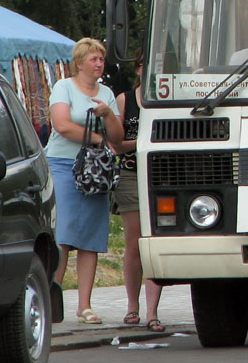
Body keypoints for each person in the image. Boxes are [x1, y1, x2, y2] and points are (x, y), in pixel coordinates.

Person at [47, 37, 124, 325]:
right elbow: (62, 125)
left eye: (102, 59)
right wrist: (97, 138)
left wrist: (107, 116)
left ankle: (85, 305)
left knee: (90, 237)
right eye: (94, 59)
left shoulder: (106, 93)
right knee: (63, 235)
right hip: (64, 164)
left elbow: (116, 137)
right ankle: (51, 299)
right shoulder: (63, 87)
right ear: (79, 63)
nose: (99, 63)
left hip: (96, 169)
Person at [113, 50, 164, 331]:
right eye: (146, 65)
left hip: (160, 176)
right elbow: (116, 143)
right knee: (135, 242)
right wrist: (144, 141)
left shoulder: (169, 100)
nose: (151, 70)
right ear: (138, 70)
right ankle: (132, 306)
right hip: (131, 173)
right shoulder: (126, 99)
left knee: (154, 241)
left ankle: (152, 312)